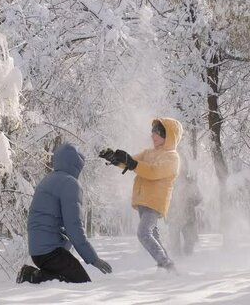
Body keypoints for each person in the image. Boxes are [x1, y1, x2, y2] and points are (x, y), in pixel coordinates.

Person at [17, 143, 113, 284]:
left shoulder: (48, 179)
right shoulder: (70, 183)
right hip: (51, 252)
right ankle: (31, 275)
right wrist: (93, 258)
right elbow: (73, 226)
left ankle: (34, 275)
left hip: (37, 251)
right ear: (76, 164)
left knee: (63, 282)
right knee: (81, 284)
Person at [100, 117, 182, 271]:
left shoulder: (172, 157)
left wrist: (133, 164)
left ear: (167, 134)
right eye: (152, 132)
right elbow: (131, 161)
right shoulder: (148, 153)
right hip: (143, 200)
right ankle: (166, 269)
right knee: (153, 235)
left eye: (156, 132)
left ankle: (166, 264)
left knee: (143, 233)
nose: (152, 135)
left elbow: (154, 172)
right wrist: (115, 159)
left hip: (155, 201)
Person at [173, 170, 202, 256]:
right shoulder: (171, 181)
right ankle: (176, 260)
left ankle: (188, 261)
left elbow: (199, 197)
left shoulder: (191, 182)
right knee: (174, 243)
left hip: (188, 216)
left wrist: (191, 202)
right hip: (174, 217)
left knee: (189, 241)